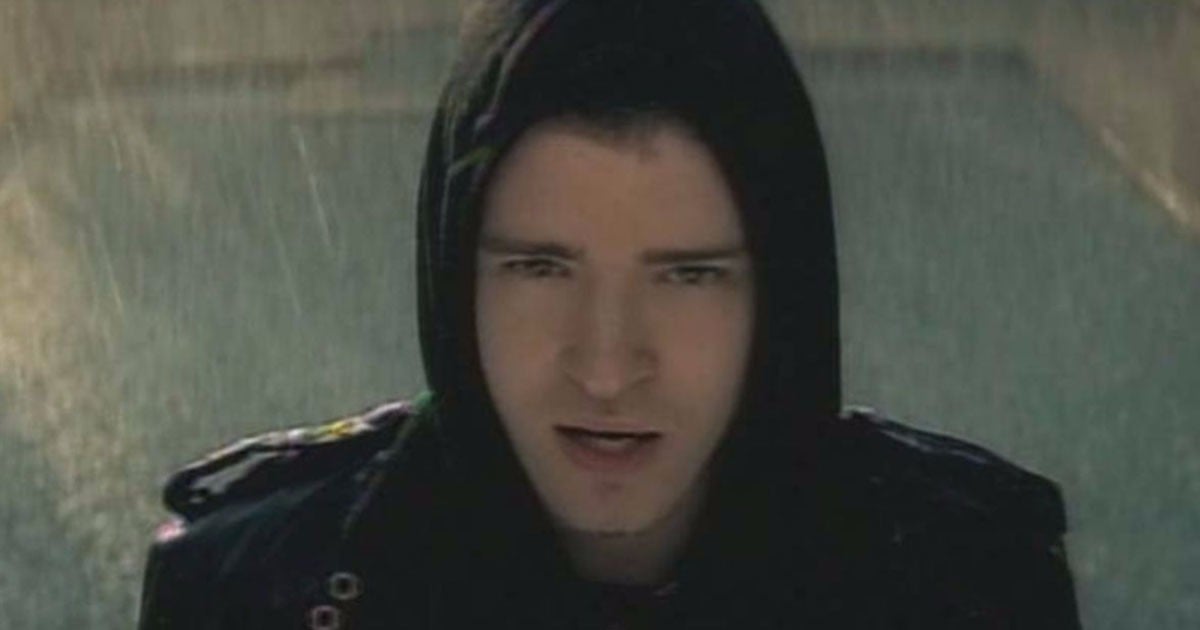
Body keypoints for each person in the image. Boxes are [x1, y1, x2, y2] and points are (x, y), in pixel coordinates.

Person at [137, 0, 1082, 627]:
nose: (606, 367)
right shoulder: (244, 598)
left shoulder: (971, 591)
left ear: (780, 296)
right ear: (453, 280)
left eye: (689, 276)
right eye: (541, 268)